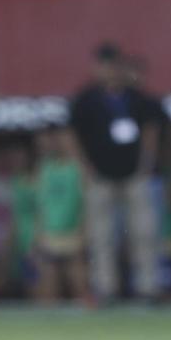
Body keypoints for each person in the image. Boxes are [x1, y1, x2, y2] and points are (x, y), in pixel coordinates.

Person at [66, 44, 162, 302]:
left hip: (134, 175)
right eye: (104, 66)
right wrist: (84, 168)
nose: (110, 71)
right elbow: (72, 135)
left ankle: (147, 286)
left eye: (114, 66)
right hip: (100, 176)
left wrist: (146, 166)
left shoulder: (137, 98)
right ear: (97, 68)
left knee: (144, 232)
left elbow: (151, 132)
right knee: (101, 235)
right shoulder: (86, 100)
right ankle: (106, 288)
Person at [33, 127, 87, 302]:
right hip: (50, 232)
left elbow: (86, 202)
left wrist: (85, 229)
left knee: (78, 284)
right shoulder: (45, 168)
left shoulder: (78, 167)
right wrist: (38, 233)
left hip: (73, 230)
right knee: (48, 285)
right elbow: (41, 205)